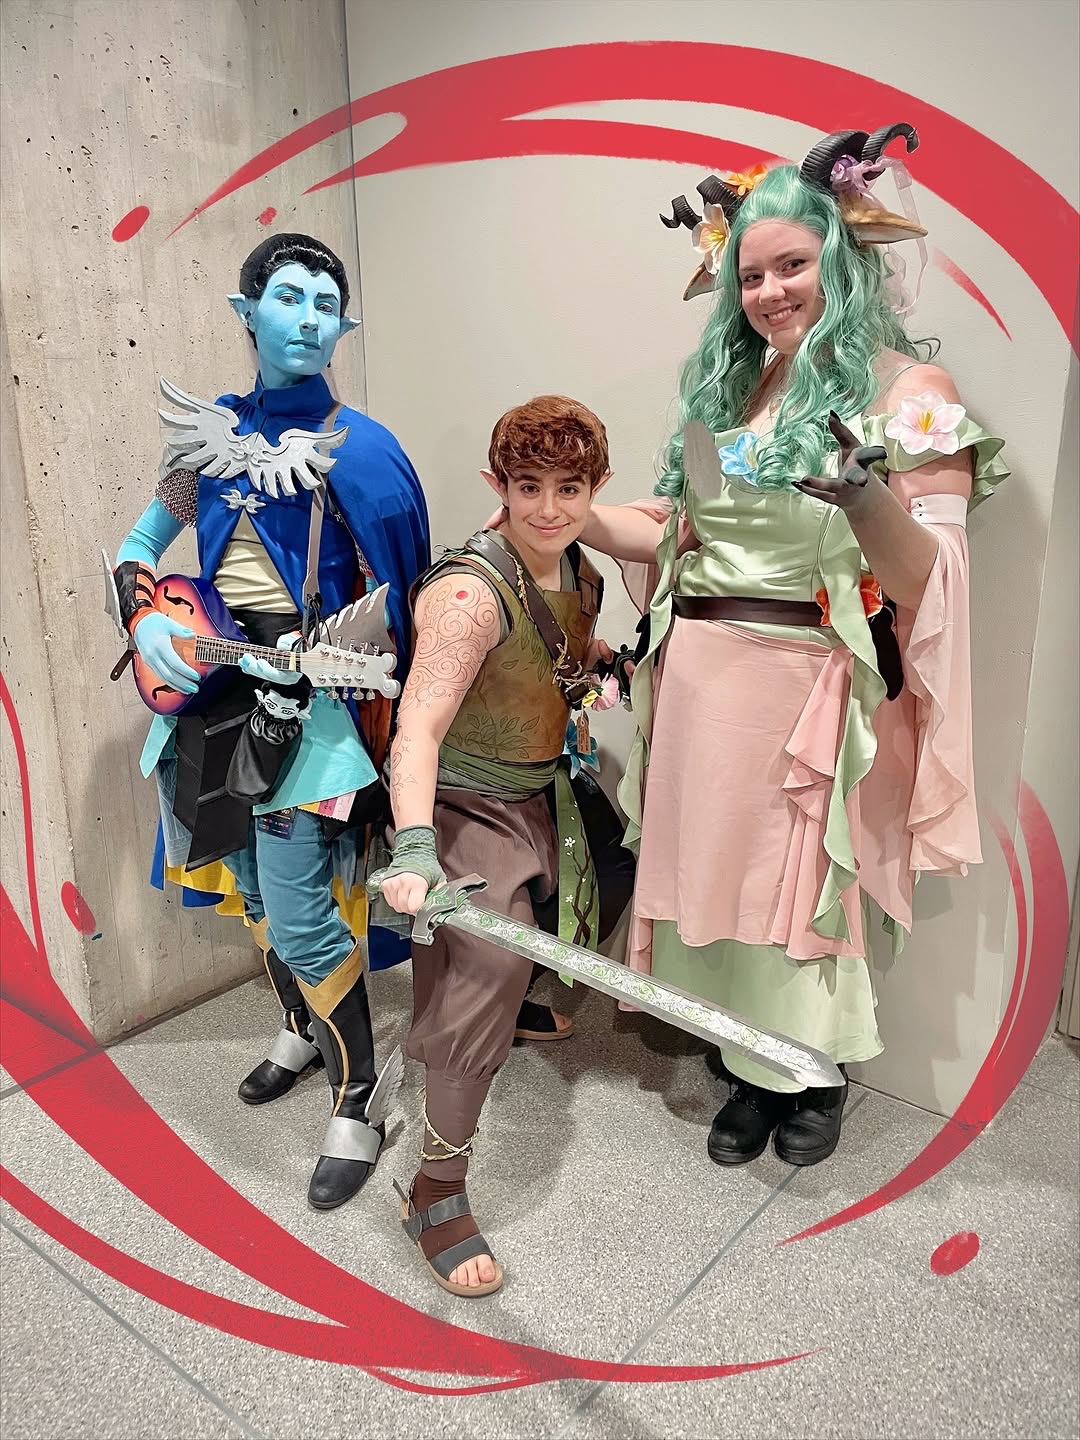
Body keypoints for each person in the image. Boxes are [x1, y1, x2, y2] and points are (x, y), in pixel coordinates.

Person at [578, 124, 1008, 1168]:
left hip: (811, 683)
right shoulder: (724, 394)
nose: (769, 292)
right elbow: (677, 527)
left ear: (843, 261)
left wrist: (864, 495)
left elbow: (933, 583)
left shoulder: (911, 395)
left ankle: (809, 1072)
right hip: (702, 676)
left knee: (798, 890)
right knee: (719, 876)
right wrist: (571, 516)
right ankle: (746, 1061)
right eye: (751, 274)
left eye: (792, 266)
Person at [110, 233, 431, 1209]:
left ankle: (357, 1098)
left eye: (325, 303)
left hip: (316, 714)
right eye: (287, 296)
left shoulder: (365, 453)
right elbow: (138, 545)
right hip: (214, 703)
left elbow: (408, 605)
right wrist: (142, 614)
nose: (307, 317)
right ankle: (298, 1027)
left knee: (299, 909)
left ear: (343, 325)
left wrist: (400, 740)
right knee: (250, 891)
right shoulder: (205, 438)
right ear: (245, 312)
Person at [373, 395, 616, 1296]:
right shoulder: (470, 595)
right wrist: (413, 846)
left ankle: (518, 1006)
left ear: (595, 487)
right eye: (528, 487)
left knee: (610, 881)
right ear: (497, 485)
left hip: (545, 790)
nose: (548, 508)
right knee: (486, 969)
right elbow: (418, 729)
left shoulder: (583, 570)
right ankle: (435, 1191)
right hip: (462, 803)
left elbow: (559, 658)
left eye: (568, 488)